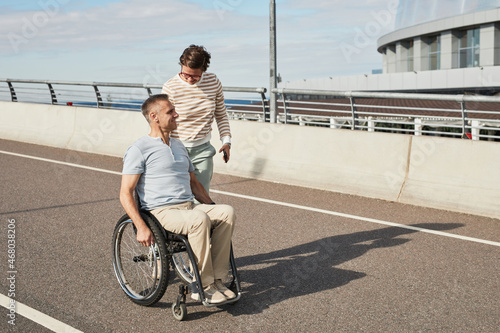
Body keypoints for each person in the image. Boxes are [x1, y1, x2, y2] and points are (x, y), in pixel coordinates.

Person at [119, 94, 236, 304]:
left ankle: (218, 280)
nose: (176, 114)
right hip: (161, 211)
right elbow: (126, 192)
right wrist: (141, 226)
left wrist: (211, 206)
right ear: (154, 116)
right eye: (170, 112)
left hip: (188, 205)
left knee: (226, 212)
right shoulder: (139, 149)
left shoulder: (179, 145)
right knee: (198, 220)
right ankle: (202, 285)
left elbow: (194, 184)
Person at [161, 44, 231, 194]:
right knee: (178, 196)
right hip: (176, 149)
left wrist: (226, 142)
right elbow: (163, 123)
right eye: (185, 74)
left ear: (204, 70)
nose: (189, 79)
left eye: (195, 75)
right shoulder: (170, 87)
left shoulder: (213, 82)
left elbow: (221, 114)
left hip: (203, 150)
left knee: (201, 197)